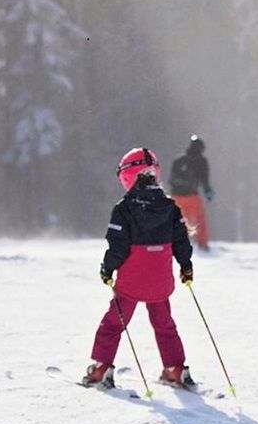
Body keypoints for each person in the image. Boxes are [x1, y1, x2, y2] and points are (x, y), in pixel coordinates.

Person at [82, 147, 198, 389]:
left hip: (131, 283)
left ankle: (101, 368)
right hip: (160, 282)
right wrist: (186, 266)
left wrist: (107, 268)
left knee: (113, 324)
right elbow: (181, 242)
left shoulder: (124, 209)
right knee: (164, 324)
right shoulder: (170, 207)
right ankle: (175, 369)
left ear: (127, 175)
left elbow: (117, 246)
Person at [170, 135, 214, 251]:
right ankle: (202, 243)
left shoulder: (178, 160)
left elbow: (171, 180)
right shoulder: (201, 161)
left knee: (177, 221)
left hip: (176, 196)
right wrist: (208, 192)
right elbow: (205, 179)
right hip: (192, 196)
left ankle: (174, 243)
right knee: (199, 220)